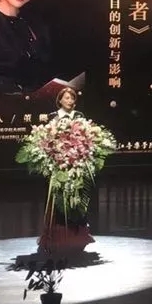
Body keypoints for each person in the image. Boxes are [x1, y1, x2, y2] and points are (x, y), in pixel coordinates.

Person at [37, 87, 94, 254]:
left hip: (76, 164)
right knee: (58, 201)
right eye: (67, 98)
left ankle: (78, 238)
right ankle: (56, 238)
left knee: (77, 200)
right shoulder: (52, 117)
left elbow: (86, 136)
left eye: (72, 98)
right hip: (58, 165)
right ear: (60, 100)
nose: (70, 101)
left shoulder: (79, 116)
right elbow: (47, 139)